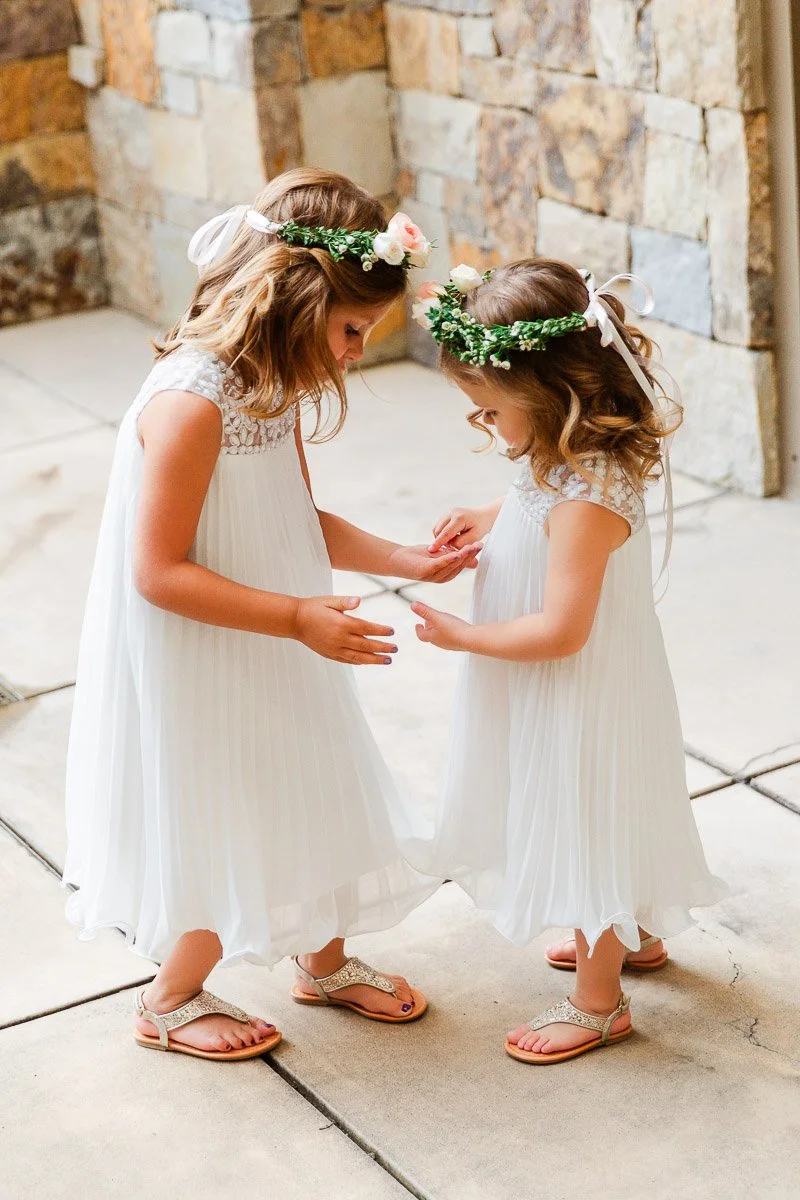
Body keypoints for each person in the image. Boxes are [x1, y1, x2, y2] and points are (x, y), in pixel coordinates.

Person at [63, 169, 480, 1062]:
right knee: (228, 802)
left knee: (306, 771)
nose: (355, 353)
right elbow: (158, 572)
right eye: (352, 329)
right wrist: (295, 617)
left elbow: (296, 515)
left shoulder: (272, 382)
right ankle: (169, 998)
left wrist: (406, 560)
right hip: (203, 647)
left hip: (279, 626)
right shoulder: (191, 403)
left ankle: (321, 961)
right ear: (298, 298)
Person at [409, 260, 726, 1064]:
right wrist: (490, 516)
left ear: (548, 392)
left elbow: (560, 632)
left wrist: (464, 637)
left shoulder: (588, 493)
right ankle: (631, 932)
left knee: (586, 818)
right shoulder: (563, 456)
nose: (485, 425)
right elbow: (533, 496)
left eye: (491, 410)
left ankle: (598, 1000)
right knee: (604, 811)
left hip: (579, 690)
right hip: (571, 684)